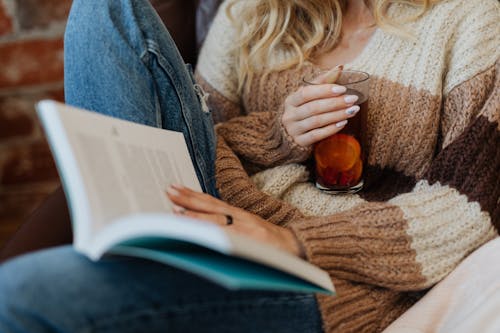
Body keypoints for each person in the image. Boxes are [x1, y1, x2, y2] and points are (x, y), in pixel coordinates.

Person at [0, 0, 498, 332]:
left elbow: (469, 208)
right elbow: (205, 139)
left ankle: (125, 269)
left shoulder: (470, 19)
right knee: (106, 9)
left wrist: (293, 242)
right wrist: (277, 136)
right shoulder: (250, 12)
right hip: (208, 209)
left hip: (317, 271)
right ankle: (127, 233)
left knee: (23, 292)